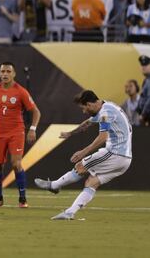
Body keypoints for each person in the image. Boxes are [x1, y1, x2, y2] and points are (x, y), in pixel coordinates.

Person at [35, 90, 132, 220]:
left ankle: (54, 186)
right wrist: (70, 133)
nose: (84, 111)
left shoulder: (105, 112)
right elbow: (87, 123)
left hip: (115, 154)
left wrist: (83, 152)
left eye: (84, 108)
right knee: (91, 183)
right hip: (125, 159)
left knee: (80, 166)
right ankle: (69, 213)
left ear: (90, 104)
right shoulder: (106, 106)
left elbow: (103, 137)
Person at [0, 62, 41, 208]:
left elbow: (36, 111)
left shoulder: (21, 91)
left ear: (14, 74)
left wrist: (32, 129)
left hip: (16, 132)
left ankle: (22, 199)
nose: (5, 74)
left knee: (16, 163)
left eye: (8, 71)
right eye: (3, 71)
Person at [137, 55, 150, 126]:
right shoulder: (146, 79)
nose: (143, 67)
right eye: (142, 65)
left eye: (146, 64)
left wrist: (143, 114)